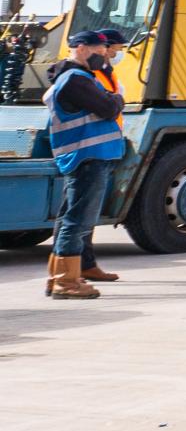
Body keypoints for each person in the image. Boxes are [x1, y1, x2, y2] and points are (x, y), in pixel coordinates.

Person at [42, 30, 128, 300]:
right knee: (78, 221)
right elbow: (108, 107)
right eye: (98, 52)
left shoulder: (75, 78)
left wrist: (111, 99)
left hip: (85, 156)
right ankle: (66, 283)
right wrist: (117, 99)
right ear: (80, 48)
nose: (103, 58)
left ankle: (59, 277)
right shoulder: (76, 80)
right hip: (87, 157)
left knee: (72, 217)